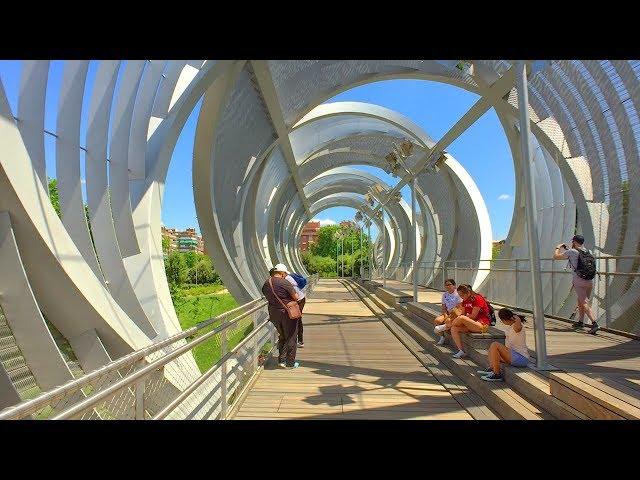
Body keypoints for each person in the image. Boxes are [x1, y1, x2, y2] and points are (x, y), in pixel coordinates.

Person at [553, 235, 599, 334]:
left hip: (579, 280)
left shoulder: (571, 252)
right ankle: (581, 322)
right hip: (589, 280)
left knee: (584, 302)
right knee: (580, 300)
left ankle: (594, 323)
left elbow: (556, 256)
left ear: (574, 241)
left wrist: (558, 247)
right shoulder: (588, 251)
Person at [261, 263, 300, 368]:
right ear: (282, 273)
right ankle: (290, 363)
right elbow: (296, 297)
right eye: (285, 274)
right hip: (287, 313)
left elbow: (266, 295)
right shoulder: (284, 282)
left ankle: (281, 361)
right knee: (291, 337)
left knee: (282, 336)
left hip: (274, 313)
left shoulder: (266, 283)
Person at [478, 308, 530, 382]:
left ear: (504, 320)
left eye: (501, 321)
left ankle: (497, 374)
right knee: (491, 349)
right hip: (513, 356)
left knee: (495, 345)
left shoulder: (517, 325)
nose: (502, 322)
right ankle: (492, 369)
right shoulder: (511, 326)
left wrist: (517, 318)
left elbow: (518, 328)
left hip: (521, 358)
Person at [449, 284, 491, 358]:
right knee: (454, 328)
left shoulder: (478, 298)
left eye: (462, 295)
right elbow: (463, 313)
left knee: (461, 318)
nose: (461, 297)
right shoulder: (465, 301)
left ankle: (445, 326)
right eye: (459, 295)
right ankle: (461, 350)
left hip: (482, 325)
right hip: (471, 324)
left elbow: (473, 316)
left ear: (468, 293)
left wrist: (462, 317)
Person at [434, 279, 462, 346]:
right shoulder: (445, 295)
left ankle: (443, 328)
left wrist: (449, 316)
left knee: (448, 321)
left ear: (454, 285)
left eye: (449, 284)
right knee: (437, 320)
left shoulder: (458, 294)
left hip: (455, 313)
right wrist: (446, 315)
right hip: (447, 313)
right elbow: (443, 307)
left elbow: (459, 308)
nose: (448, 286)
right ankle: (442, 337)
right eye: (446, 285)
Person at [285, 271, 306, 347]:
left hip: (298, 300)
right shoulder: (289, 277)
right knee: (297, 319)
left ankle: (299, 341)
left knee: (297, 319)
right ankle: (298, 340)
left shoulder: (287, 279)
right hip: (300, 299)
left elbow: (294, 294)